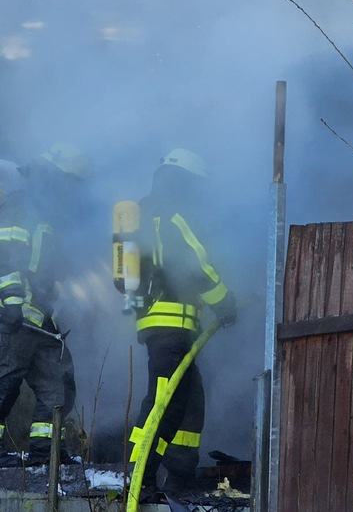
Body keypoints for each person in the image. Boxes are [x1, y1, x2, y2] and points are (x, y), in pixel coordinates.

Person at [121, 147, 238, 500]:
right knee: (164, 404)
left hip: (165, 327)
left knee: (189, 400)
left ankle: (180, 474)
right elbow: (196, 263)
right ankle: (140, 480)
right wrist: (225, 301)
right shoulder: (172, 213)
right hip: (171, 327)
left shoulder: (147, 212)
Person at [0, 143, 89, 468]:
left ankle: (46, 452)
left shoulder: (48, 216)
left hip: (37, 319)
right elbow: (6, 257)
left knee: (58, 381)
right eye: (67, 183)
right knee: (0, 382)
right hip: (7, 312)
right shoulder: (21, 206)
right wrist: (13, 302)